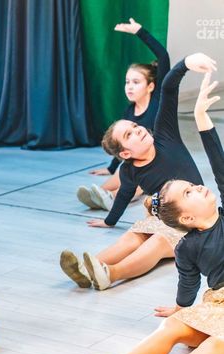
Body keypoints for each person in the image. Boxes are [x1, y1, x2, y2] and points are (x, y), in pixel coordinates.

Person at [86, 73, 224, 354]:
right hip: (217, 302)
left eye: (192, 186)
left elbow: (218, 163)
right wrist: (179, 308)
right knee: (173, 326)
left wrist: (202, 118)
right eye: (189, 192)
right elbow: (188, 283)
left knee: (215, 346)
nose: (199, 187)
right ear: (187, 218)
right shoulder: (187, 246)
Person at [60, 53, 216, 290]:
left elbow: (168, 89)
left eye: (135, 126)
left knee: (157, 242)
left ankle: (110, 274)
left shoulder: (166, 136)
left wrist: (185, 64)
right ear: (125, 153)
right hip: (166, 216)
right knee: (135, 234)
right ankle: (86, 268)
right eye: (129, 134)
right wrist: (109, 221)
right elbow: (124, 196)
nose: (138, 130)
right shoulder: (129, 171)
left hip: (194, 219)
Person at [78, 18, 170, 211]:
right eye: (127, 82)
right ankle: (99, 192)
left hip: (161, 162)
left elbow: (163, 57)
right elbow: (122, 144)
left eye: (136, 82)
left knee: (138, 174)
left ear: (150, 86)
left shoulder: (158, 101)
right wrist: (111, 168)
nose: (129, 87)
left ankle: (111, 197)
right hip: (141, 157)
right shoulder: (129, 112)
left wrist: (140, 31)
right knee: (125, 169)